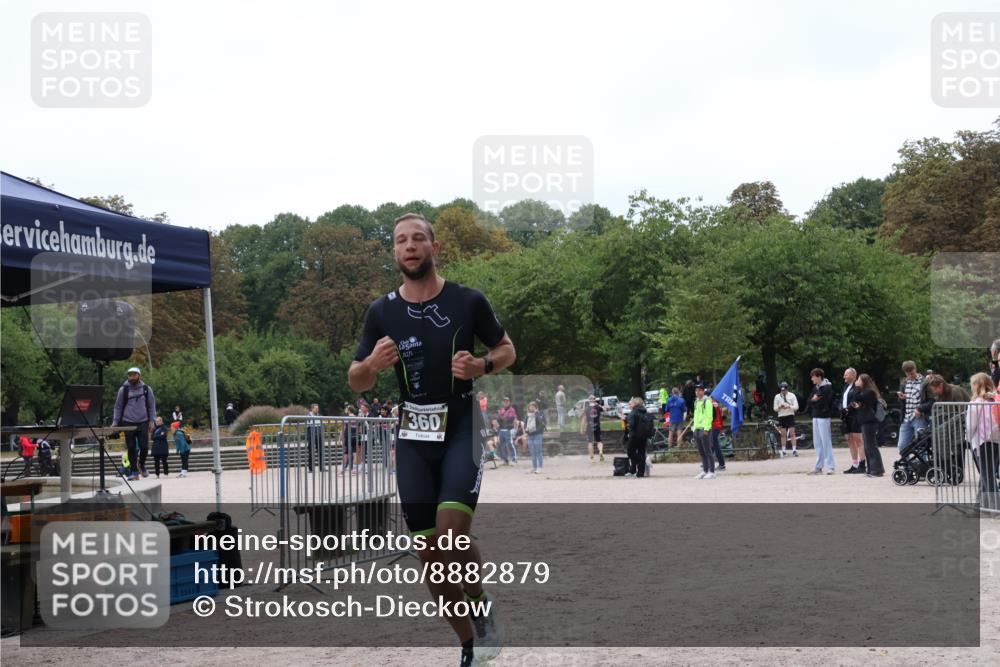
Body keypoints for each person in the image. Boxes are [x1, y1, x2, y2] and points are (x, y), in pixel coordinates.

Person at [347, 212, 515, 666]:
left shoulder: (468, 301)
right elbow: (356, 380)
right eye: (401, 240)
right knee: (432, 559)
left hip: (461, 428)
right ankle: (468, 643)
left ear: (434, 248)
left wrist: (482, 366)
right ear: (395, 252)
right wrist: (371, 367)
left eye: (418, 238)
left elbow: (506, 349)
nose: (410, 246)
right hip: (414, 439)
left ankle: (480, 606)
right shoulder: (381, 312)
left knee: (450, 537)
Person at [111, 367, 157, 481]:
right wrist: (115, 422)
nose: (131, 377)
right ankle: (134, 471)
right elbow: (118, 407)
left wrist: (152, 421)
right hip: (128, 421)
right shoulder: (124, 390)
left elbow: (151, 406)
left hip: (143, 421)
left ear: (139, 376)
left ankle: (141, 464)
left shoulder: (146, 389)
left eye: (134, 375)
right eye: (129, 375)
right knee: (131, 448)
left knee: (144, 447)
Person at [966, 373, 999, 510]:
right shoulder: (995, 401)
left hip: (981, 441)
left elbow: (970, 426)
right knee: (986, 474)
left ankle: (995, 507)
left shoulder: (975, 403)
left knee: (987, 475)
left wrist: (968, 438)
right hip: (996, 441)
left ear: (977, 385)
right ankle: (979, 504)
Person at [851, 374, 886, 478]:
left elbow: (856, 397)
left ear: (864, 382)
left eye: (859, 380)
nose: (857, 382)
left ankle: (877, 469)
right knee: (867, 446)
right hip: (865, 421)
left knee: (871, 445)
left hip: (870, 421)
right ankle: (871, 468)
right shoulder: (864, 392)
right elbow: (856, 400)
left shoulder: (869, 392)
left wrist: (856, 387)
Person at [806, 368, 837, 475]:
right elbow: (809, 401)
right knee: (817, 443)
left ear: (819, 376)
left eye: (813, 376)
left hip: (823, 417)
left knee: (826, 442)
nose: (811, 379)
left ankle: (831, 466)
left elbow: (824, 403)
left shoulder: (827, 388)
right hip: (815, 417)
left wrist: (814, 401)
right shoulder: (816, 387)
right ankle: (818, 466)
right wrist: (814, 400)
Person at [896, 361, 926, 452]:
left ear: (915, 369)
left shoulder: (924, 382)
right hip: (906, 417)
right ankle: (909, 464)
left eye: (912, 373)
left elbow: (930, 400)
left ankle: (922, 465)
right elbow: (902, 402)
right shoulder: (904, 382)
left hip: (919, 416)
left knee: (921, 444)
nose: (911, 375)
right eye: (908, 374)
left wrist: (920, 409)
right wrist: (901, 398)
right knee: (902, 445)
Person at [841, 368, 866, 474]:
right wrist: (841, 409)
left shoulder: (857, 387)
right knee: (850, 440)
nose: (844, 377)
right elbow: (842, 400)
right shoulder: (846, 387)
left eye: (846, 375)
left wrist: (848, 409)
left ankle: (862, 464)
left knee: (858, 440)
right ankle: (855, 464)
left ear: (852, 375)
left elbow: (855, 400)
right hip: (846, 417)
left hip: (855, 416)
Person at [692, 384, 715, 479]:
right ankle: (705, 471)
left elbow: (709, 416)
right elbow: (696, 416)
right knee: (701, 452)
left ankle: (712, 472)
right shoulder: (696, 402)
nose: (697, 392)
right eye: (696, 390)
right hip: (697, 428)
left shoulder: (707, 401)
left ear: (703, 391)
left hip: (704, 429)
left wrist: (706, 428)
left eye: (699, 390)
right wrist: (694, 428)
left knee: (708, 451)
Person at [772, 382, 799, 458]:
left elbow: (796, 406)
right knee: (783, 434)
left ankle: (794, 450)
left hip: (790, 415)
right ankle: (784, 450)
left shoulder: (792, 395)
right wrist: (780, 407)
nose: (783, 391)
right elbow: (775, 408)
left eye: (784, 390)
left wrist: (789, 407)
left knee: (792, 433)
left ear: (787, 389)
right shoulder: (777, 397)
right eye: (782, 390)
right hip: (782, 416)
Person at [625, 397, 649, 478]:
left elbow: (631, 425)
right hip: (644, 436)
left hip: (634, 436)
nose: (629, 405)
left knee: (630, 451)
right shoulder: (644, 411)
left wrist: (627, 424)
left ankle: (639, 463)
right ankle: (640, 473)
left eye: (631, 403)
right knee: (641, 452)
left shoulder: (633, 412)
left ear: (635, 404)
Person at [580, 395, 604, 462]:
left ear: (589, 400)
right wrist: (598, 404)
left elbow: (584, 419)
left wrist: (582, 428)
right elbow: (605, 409)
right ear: (595, 399)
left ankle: (592, 458)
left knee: (590, 442)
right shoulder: (598, 407)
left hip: (589, 427)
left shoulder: (586, 408)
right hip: (597, 426)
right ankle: (601, 451)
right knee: (599, 441)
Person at [524, 401, 546, 474]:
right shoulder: (527, 415)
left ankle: (540, 467)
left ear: (536, 407)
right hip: (530, 435)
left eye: (533, 406)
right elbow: (525, 424)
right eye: (530, 406)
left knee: (538, 451)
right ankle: (534, 467)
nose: (532, 408)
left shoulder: (540, 414)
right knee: (532, 452)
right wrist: (526, 432)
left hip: (537, 434)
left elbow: (541, 423)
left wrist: (536, 413)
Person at [497, 397, 518, 465]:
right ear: (503, 402)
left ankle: (514, 459)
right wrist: (502, 417)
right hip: (501, 430)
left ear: (509, 402)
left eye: (507, 401)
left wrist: (502, 417)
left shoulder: (512, 410)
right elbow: (498, 419)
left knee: (510, 444)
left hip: (508, 430)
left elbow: (509, 419)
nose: (505, 403)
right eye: (504, 401)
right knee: (502, 445)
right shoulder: (501, 409)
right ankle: (505, 460)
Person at [710, 396, 727, 472]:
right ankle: (709, 462)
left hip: (713, 426)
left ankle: (722, 464)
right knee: (712, 445)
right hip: (717, 426)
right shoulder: (716, 404)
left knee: (715, 445)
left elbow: (710, 417)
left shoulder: (710, 404)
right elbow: (720, 416)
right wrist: (721, 428)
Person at [305, 403, 323, 471]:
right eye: (316, 408)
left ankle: (321, 467)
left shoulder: (319, 416)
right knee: (311, 452)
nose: (317, 410)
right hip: (311, 436)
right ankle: (311, 468)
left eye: (318, 408)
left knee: (321, 451)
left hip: (319, 435)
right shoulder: (308, 416)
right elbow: (308, 426)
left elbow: (321, 425)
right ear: (312, 409)